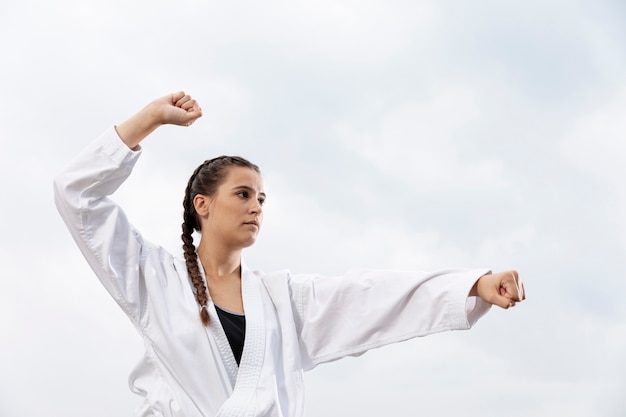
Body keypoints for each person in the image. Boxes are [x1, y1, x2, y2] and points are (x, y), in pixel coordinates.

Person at [54, 91, 525, 417]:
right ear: (203, 205)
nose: (256, 206)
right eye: (243, 194)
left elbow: (369, 296)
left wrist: (473, 284)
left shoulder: (282, 299)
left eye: (261, 198)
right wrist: (151, 119)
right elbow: (77, 196)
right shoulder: (152, 279)